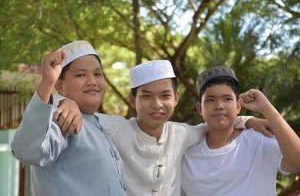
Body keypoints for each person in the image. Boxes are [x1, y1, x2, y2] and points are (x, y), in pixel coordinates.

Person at [56, 60, 270, 195]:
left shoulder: (183, 133)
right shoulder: (116, 128)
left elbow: (213, 124)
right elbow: (89, 118)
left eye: (165, 95)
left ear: (176, 98)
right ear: (133, 100)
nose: (157, 105)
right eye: (146, 96)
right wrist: (68, 102)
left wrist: (246, 120)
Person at [11, 40, 126, 196]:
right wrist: (47, 84)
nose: (92, 81)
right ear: (59, 86)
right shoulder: (62, 116)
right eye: (80, 74)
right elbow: (27, 150)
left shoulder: (99, 123)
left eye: (98, 74)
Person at [182, 65, 300, 196]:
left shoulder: (259, 141)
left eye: (227, 99)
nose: (219, 106)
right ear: (199, 108)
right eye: (210, 100)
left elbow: (297, 163)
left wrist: (266, 108)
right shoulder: (186, 154)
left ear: (238, 106)